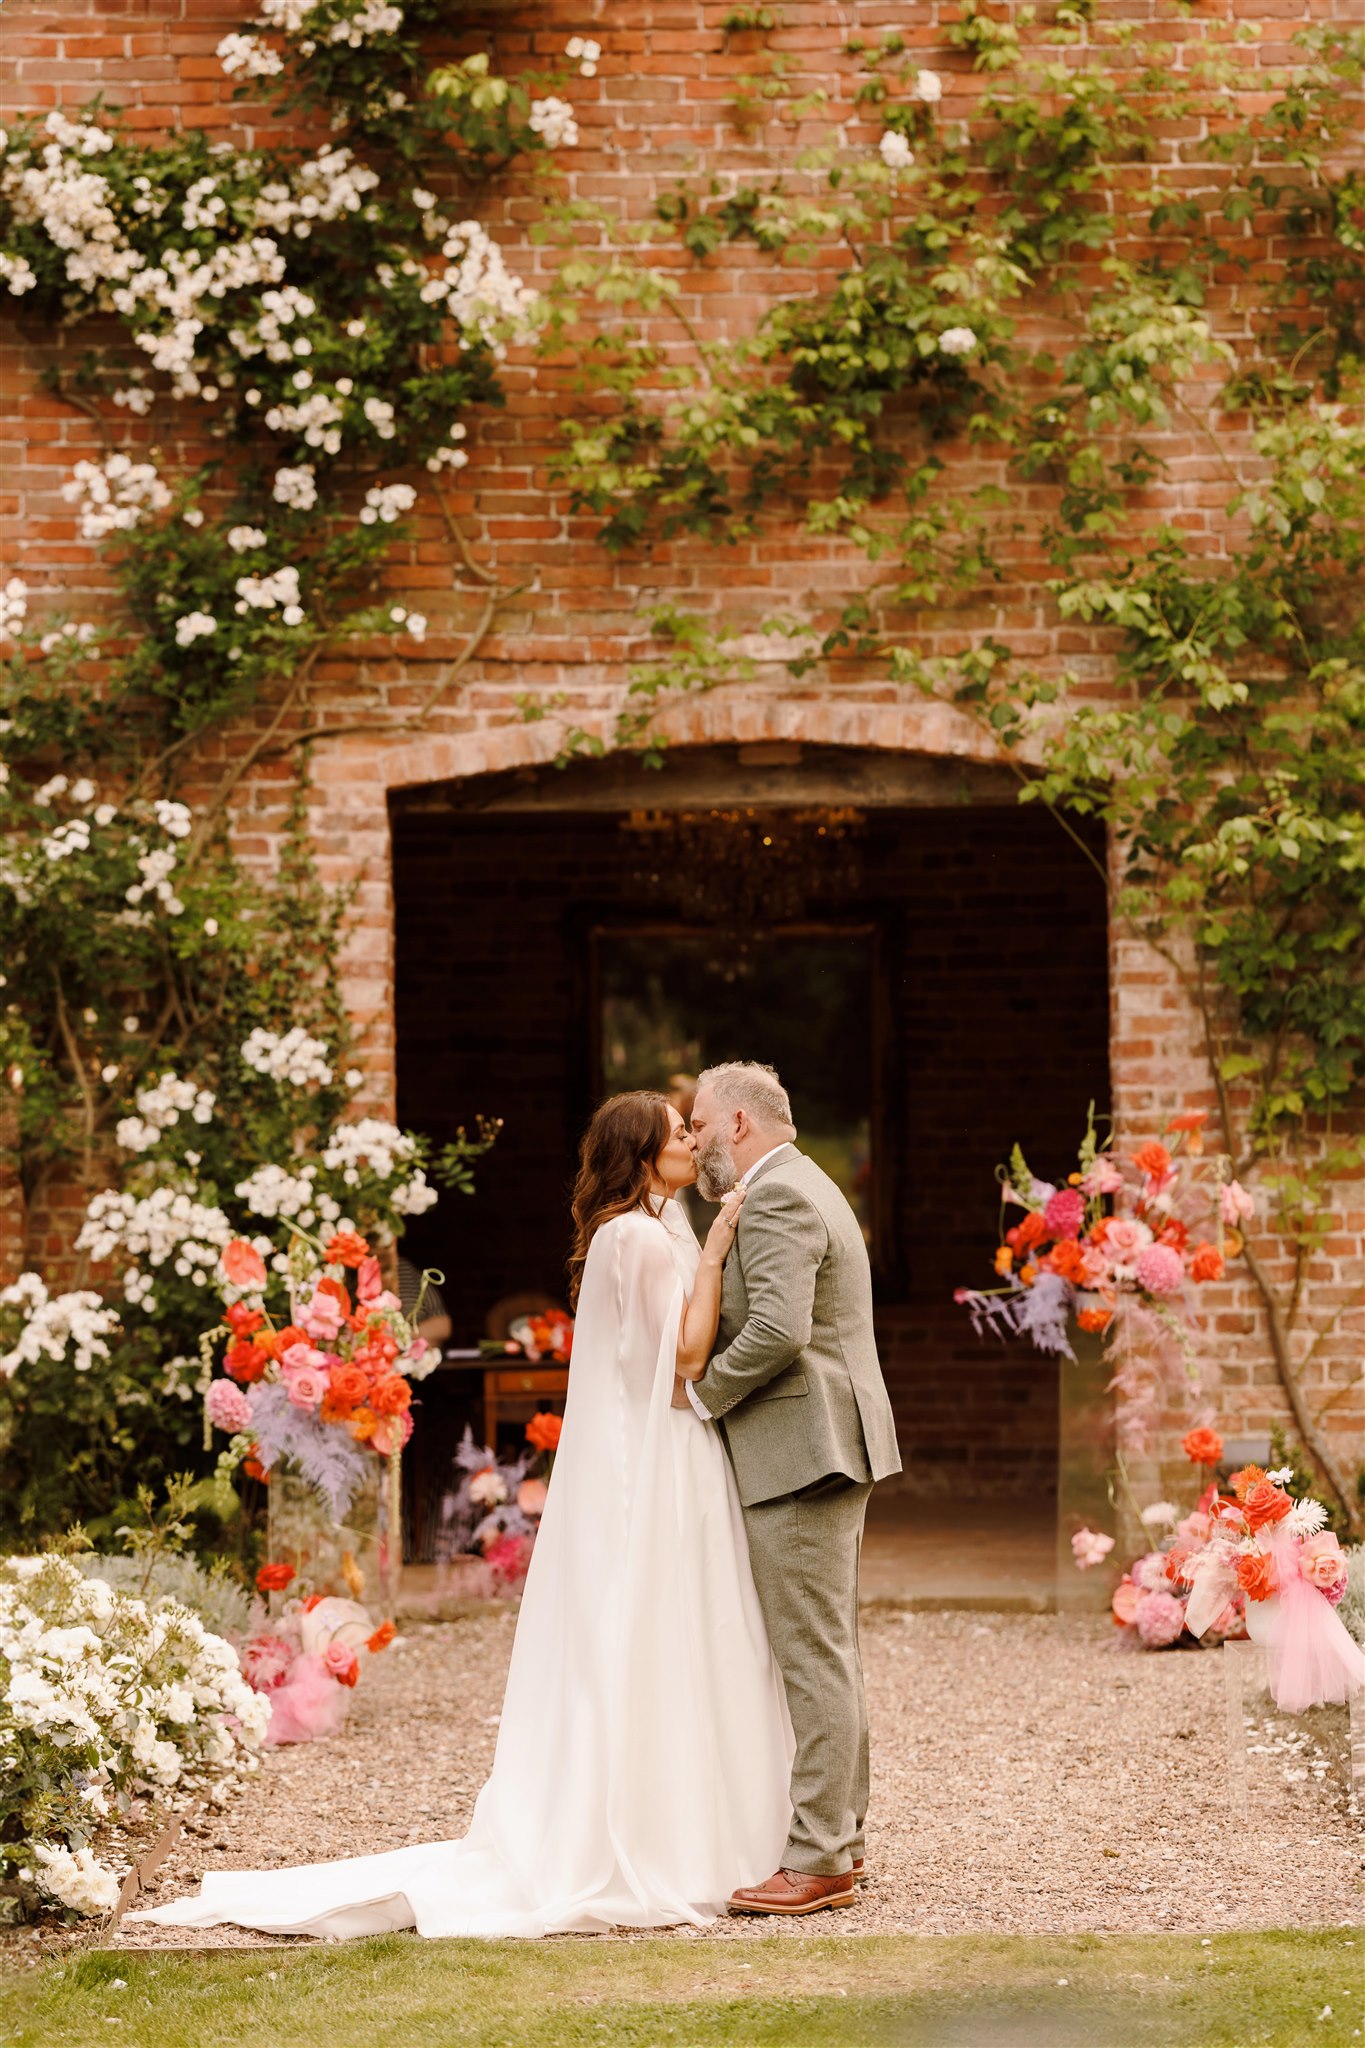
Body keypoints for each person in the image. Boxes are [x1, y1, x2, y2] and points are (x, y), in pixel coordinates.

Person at [128, 1092, 793, 1939]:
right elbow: (686, 1360)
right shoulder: (641, 1238)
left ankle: (699, 1820)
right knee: (663, 1626)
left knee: (680, 1630)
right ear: (641, 1157)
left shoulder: (653, 1227)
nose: (691, 1143)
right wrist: (718, 1255)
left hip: (672, 1450)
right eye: (674, 1135)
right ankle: (663, 1835)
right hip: (662, 1457)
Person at [684, 1060, 901, 1916]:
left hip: (802, 1451)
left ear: (738, 1122)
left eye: (699, 1121)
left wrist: (700, 1399)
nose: (693, 1136)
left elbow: (778, 1327)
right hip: (817, 1445)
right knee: (829, 1651)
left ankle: (818, 1857)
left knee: (813, 1656)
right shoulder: (799, 1182)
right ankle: (837, 1840)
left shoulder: (776, 1194)